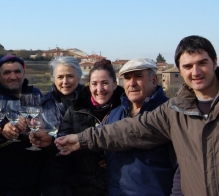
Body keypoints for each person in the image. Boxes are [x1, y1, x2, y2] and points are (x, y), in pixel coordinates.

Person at [34, 58, 178, 195]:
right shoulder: (116, 113)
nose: (132, 83)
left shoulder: (168, 113)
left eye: (139, 76)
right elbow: (93, 139)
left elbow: (183, 167)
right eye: (127, 78)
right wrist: (51, 143)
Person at [58, 59, 124, 196]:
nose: (99, 89)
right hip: (82, 189)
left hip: (119, 187)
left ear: (115, 85)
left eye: (105, 83)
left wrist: (112, 158)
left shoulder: (126, 111)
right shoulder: (74, 111)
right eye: (94, 84)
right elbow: (62, 144)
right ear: (89, 86)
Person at [0, 54, 44, 196]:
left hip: (40, 177)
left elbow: (48, 119)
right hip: (10, 181)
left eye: (17, 71)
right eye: (7, 72)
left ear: (24, 73)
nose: (13, 76)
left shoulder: (35, 93)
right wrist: (3, 127)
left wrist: (35, 124)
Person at [38, 56, 84, 196]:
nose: (65, 82)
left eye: (70, 76)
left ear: (79, 77)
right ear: (53, 79)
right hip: (54, 179)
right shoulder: (43, 105)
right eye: (60, 77)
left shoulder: (92, 103)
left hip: (86, 178)